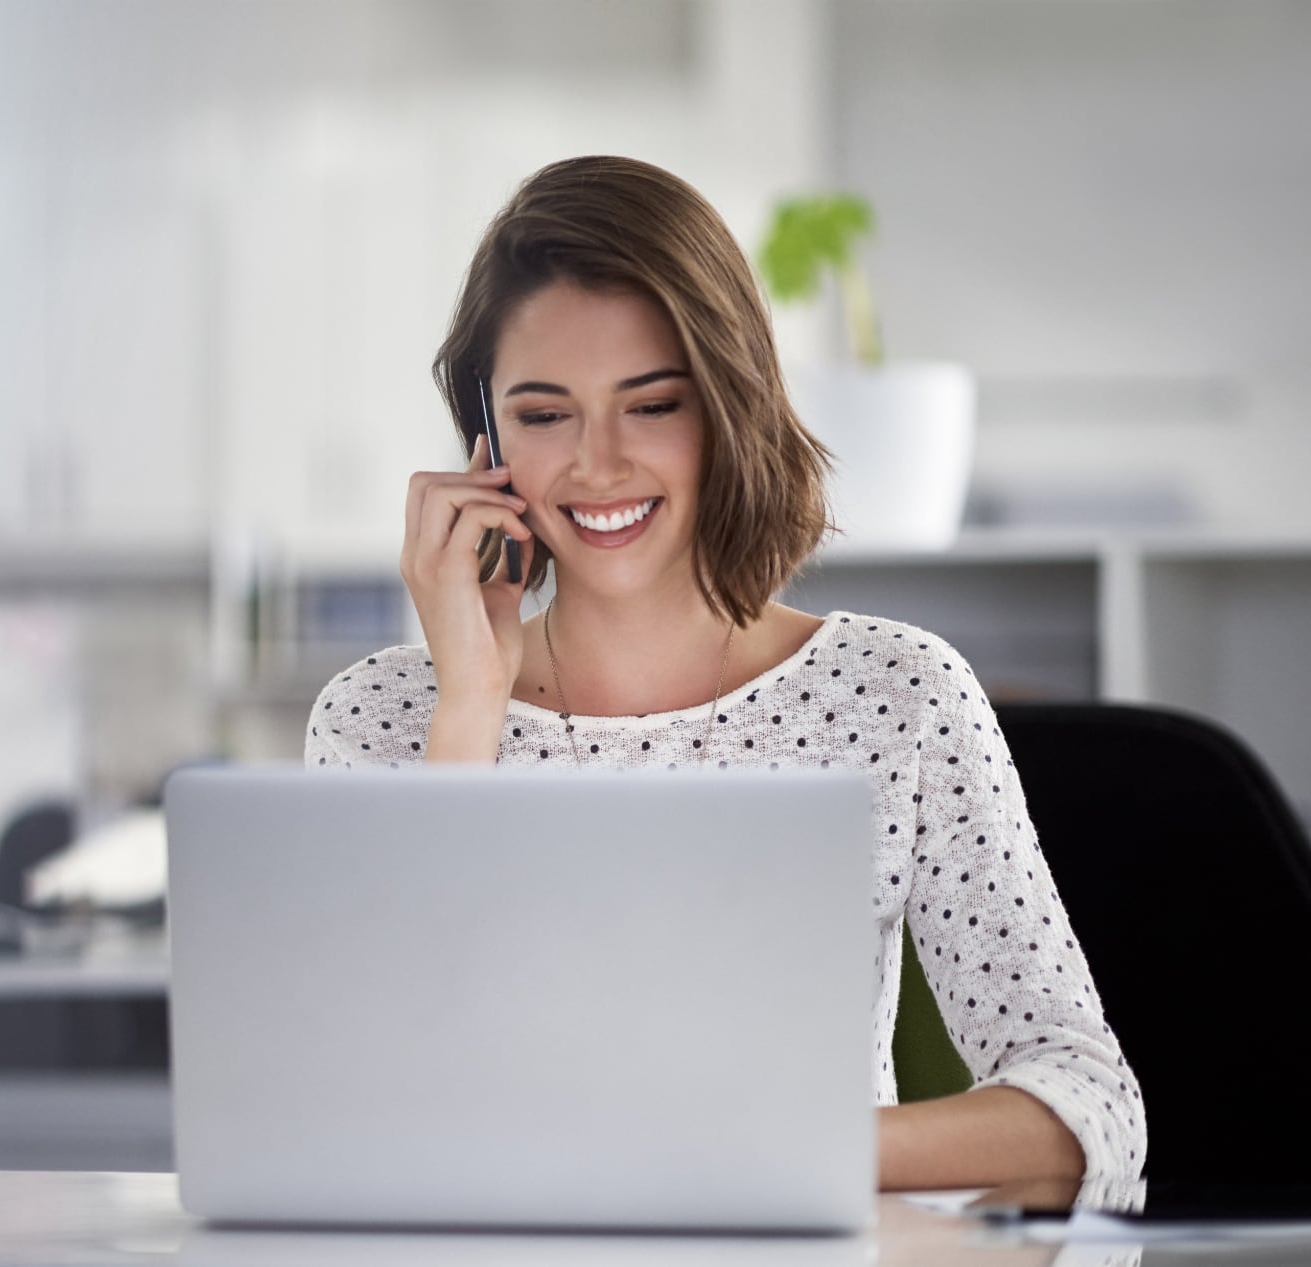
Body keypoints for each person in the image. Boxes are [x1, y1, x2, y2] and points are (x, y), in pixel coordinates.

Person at [304, 155, 1145, 1195]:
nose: (597, 463)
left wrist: (761, 1157)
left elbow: (1087, 1103)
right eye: (542, 413)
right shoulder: (381, 718)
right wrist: (468, 707)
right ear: (483, 440)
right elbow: (356, 1110)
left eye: (651, 405)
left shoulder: (898, 694)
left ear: (727, 406)